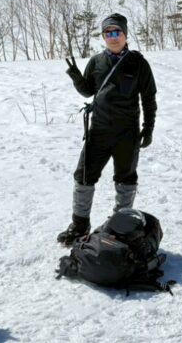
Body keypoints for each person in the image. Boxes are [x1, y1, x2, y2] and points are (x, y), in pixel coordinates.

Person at [57, 13, 157, 245]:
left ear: (125, 34)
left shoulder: (138, 63)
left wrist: (148, 127)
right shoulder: (97, 61)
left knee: (125, 180)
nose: (112, 37)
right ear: (103, 37)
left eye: (117, 32)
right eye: (108, 33)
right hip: (99, 130)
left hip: (127, 132)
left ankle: (120, 226)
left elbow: (148, 98)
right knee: (84, 176)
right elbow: (88, 91)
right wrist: (75, 76)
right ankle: (80, 224)